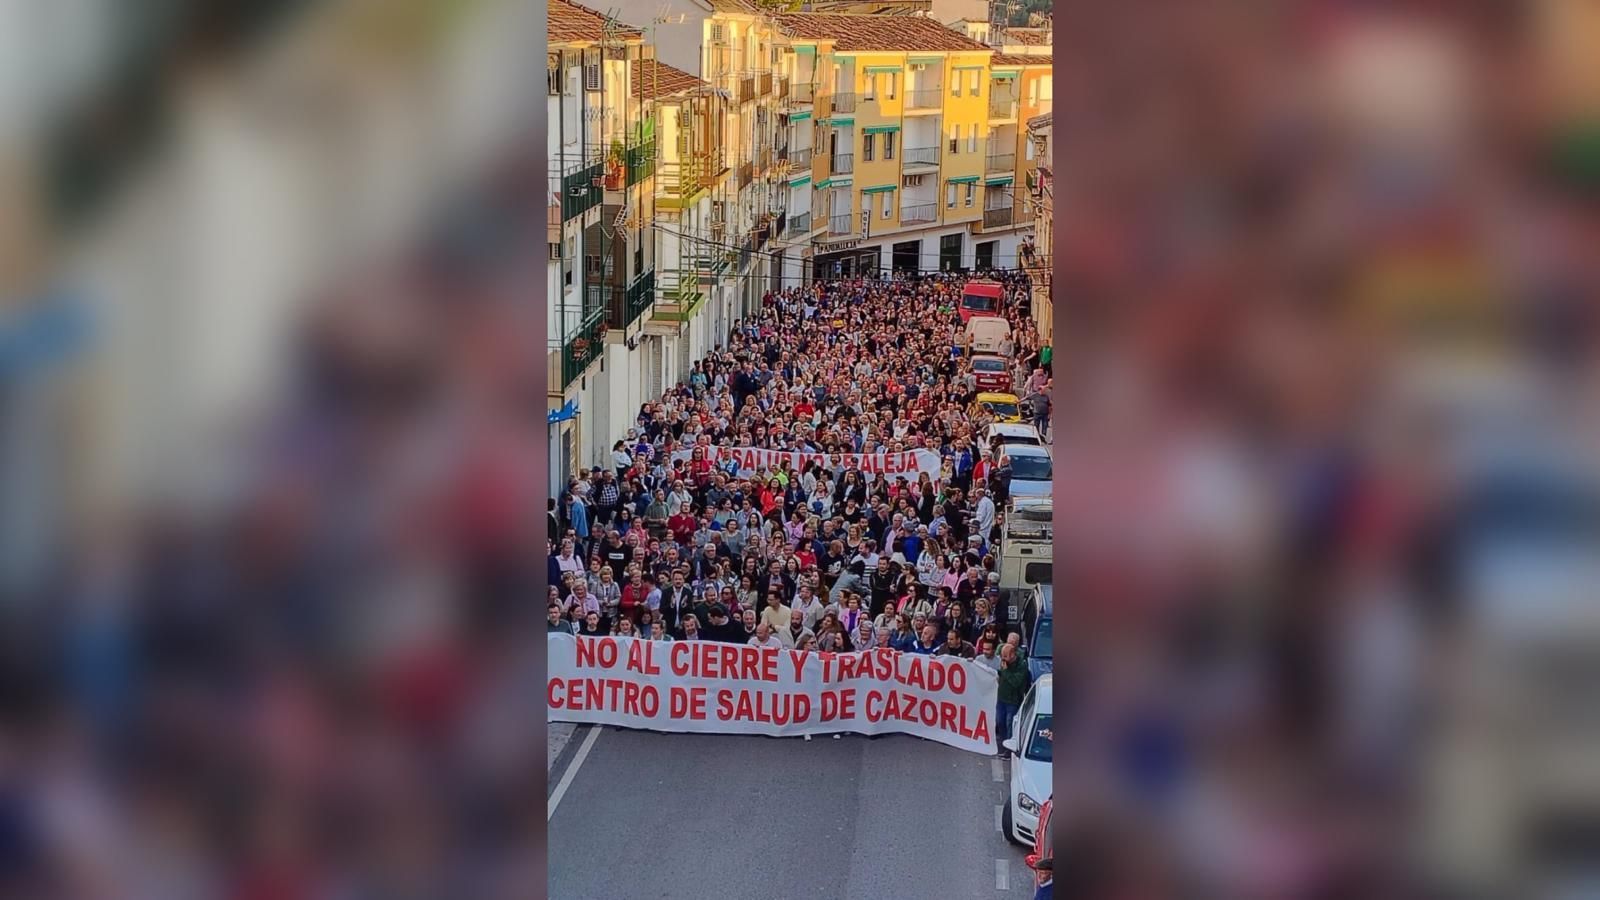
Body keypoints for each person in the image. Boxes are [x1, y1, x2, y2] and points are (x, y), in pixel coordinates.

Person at [996, 643, 1031, 755]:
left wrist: (1005, 671)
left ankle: (1009, 748)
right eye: (1002, 656)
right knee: (1000, 721)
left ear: (1012, 655)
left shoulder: (1022, 665)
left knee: (1010, 723)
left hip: (1013, 700)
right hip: (1001, 698)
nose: (1003, 659)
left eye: (1005, 656)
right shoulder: (1004, 663)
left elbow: (1016, 682)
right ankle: (1003, 743)